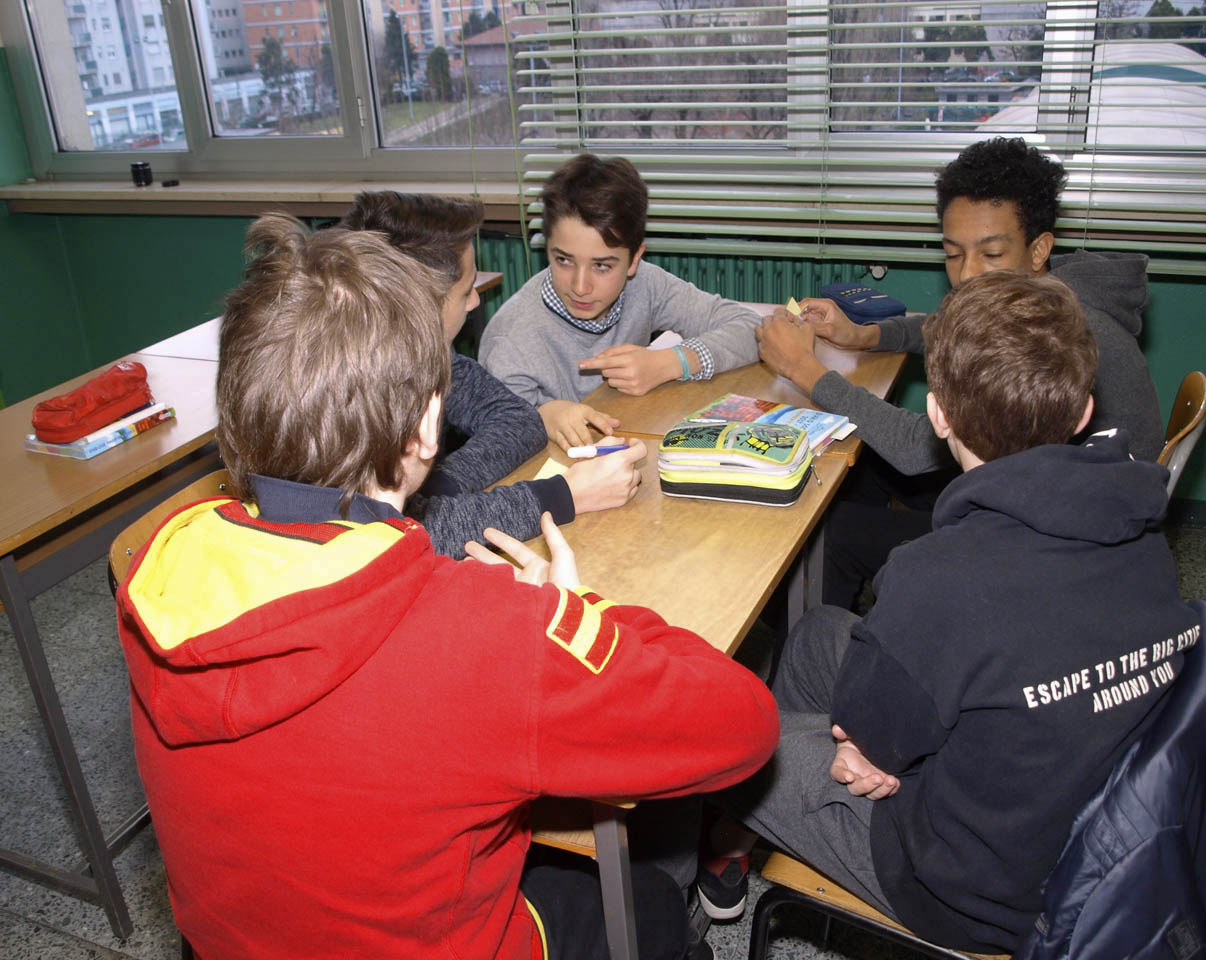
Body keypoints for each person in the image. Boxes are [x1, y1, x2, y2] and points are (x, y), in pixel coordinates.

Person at [116, 214, 780, 960]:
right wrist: (573, 610)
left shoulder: (164, 578)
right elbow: (745, 727)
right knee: (652, 903)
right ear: (427, 430)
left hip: (229, 945)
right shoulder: (489, 633)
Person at [696, 270, 1199, 954]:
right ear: (1084, 413)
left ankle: (701, 868)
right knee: (818, 636)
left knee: (730, 736)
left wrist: (867, 752)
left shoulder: (939, 574)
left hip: (972, 887)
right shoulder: (1141, 532)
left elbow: (873, 745)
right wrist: (873, 743)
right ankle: (740, 838)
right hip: (1069, 820)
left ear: (938, 416)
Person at [754, 137, 1164, 606]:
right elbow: (945, 325)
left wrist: (803, 368)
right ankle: (904, 601)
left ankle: (839, 653)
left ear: (1038, 249)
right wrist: (865, 336)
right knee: (859, 458)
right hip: (1047, 490)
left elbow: (914, 448)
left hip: (1059, 545)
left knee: (835, 530)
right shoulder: (1045, 296)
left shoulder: (1054, 330)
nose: (968, 274)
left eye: (990, 255)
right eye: (953, 253)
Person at [338, 190, 647, 559]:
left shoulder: (433, 359)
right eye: (467, 289)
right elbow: (391, 540)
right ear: (421, 301)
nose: (475, 301)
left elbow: (520, 421)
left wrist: (427, 492)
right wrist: (563, 495)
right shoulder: (342, 395)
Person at [479, 153, 762, 450]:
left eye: (602, 266)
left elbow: (750, 327)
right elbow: (497, 452)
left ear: (634, 260)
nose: (580, 286)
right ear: (547, 249)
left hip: (631, 444)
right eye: (563, 260)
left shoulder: (645, 285)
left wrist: (672, 362)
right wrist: (540, 419)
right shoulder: (509, 342)